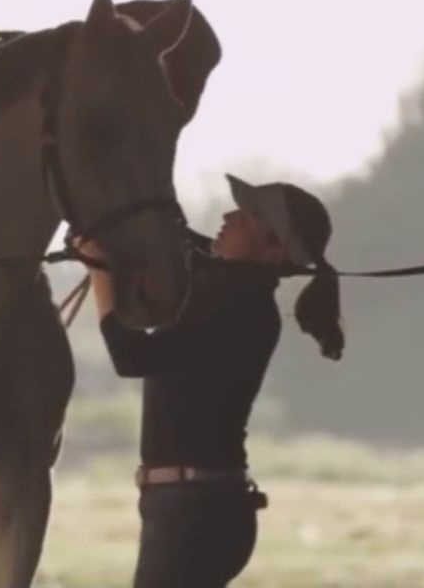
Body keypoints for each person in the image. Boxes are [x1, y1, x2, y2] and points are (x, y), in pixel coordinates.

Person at [79, 174, 343, 588]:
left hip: (193, 512)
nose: (229, 214)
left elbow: (132, 357)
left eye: (250, 216)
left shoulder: (240, 305)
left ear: (274, 249)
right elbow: (193, 246)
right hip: (192, 507)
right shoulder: (233, 292)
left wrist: (100, 274)